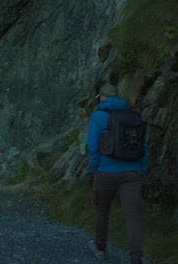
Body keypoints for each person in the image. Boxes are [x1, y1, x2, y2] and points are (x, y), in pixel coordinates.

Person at [86, 84, 148, 264]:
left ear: (102, 98)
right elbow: (144, 147)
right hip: (133, 172)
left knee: (102, 210)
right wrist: (141, 170)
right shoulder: (134, 115)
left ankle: (100, 247)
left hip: (106, 171)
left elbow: (93, 147)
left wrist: (95, 169)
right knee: (133, 214)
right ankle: (136, 256)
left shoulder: (98, 116)